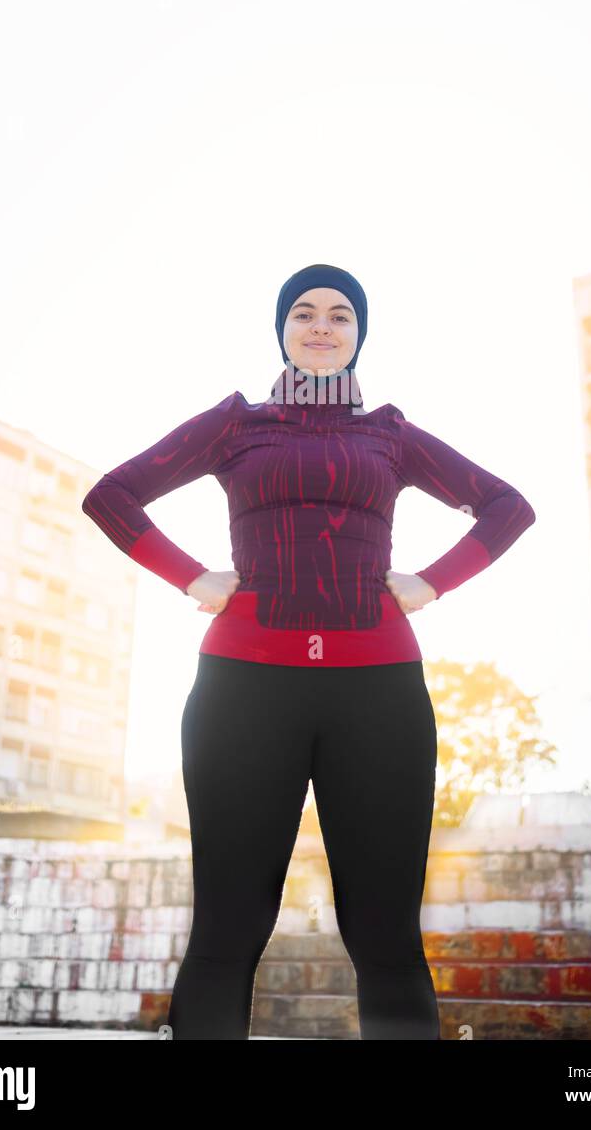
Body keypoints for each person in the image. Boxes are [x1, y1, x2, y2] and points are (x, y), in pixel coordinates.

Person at [81, 262, 536, 1040]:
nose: (321, 326)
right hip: (244, 691)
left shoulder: (389, 433)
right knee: (228, 930)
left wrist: (434, 580)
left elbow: (507, 507)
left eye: (340, 316)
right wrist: (192, 576)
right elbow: (112, 496)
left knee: (386, 936)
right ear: (283, 330)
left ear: (359, 335)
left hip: (379, 693)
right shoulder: (236, 423)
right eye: (304, 313)